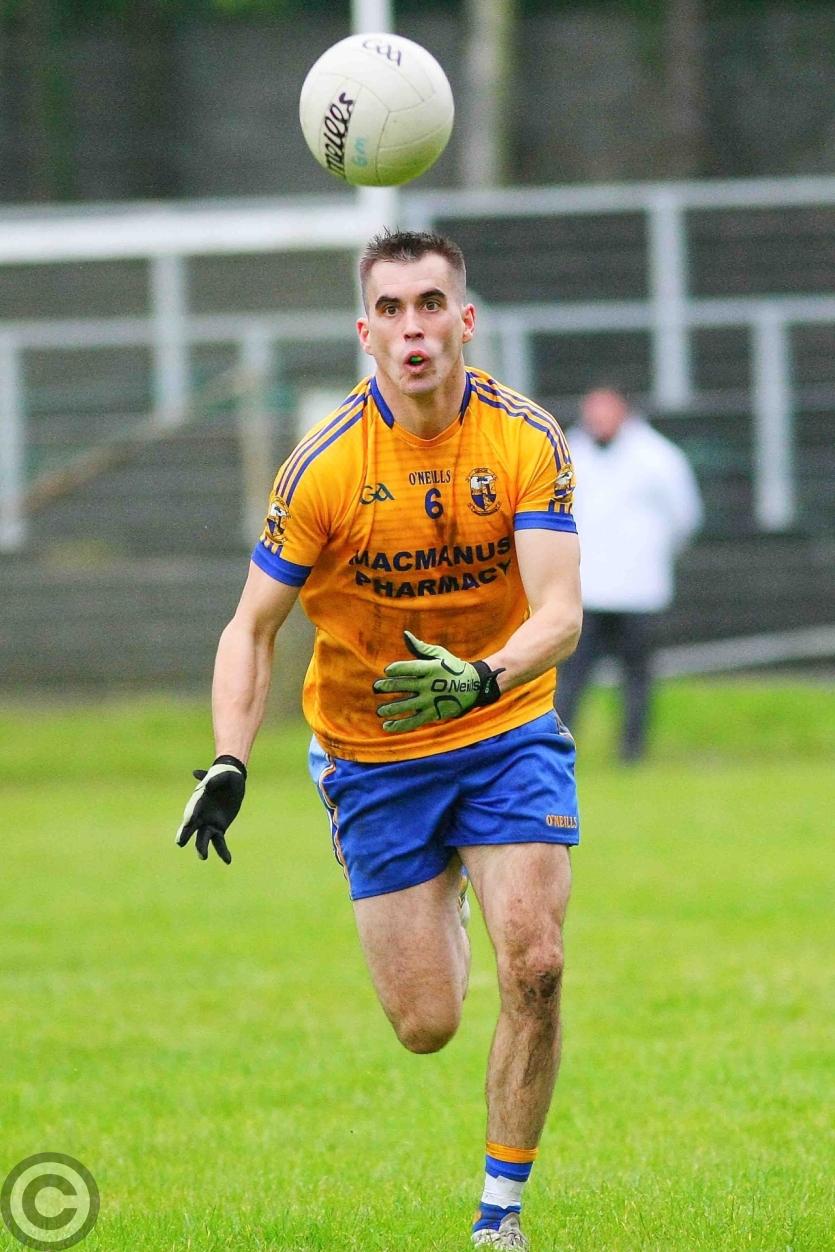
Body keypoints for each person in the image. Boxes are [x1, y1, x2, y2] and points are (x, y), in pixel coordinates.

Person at [175, 230, 582, 1251]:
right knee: (426, 1025)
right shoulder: (324, 466)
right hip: (373, 750)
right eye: (391, 309)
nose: (413, 328)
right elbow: (251, 627)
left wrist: (483, 677)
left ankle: (500, 1215)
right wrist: (229, 758)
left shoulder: (524, 439)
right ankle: (443, 876)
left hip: (503, 724)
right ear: (366, 333)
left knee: (534, 962)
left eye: (430, 304)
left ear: (464, 320)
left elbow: (560, 613)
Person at [556, 385, 703, 761]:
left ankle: (632, 752)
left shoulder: (658, 457)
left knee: (636, 675)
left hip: (640, 590)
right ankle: (559, 747)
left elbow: (685, 516)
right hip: (586, 589)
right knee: (572, 675)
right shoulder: (567, 452)